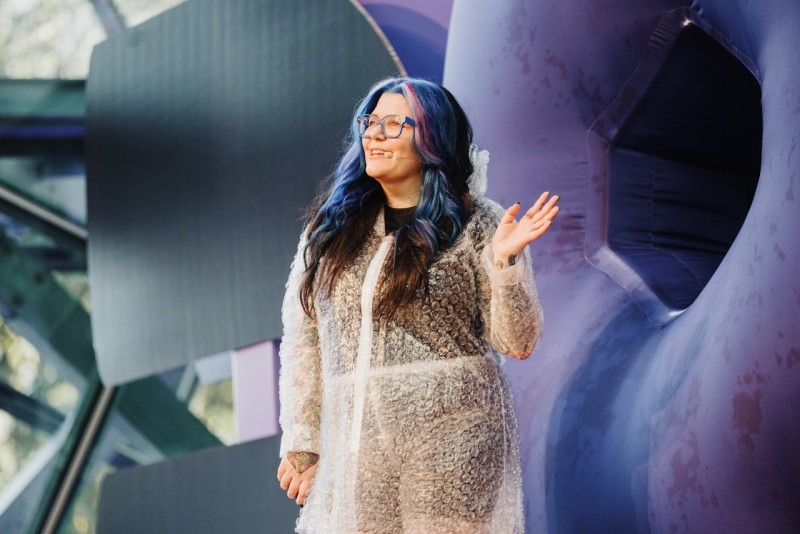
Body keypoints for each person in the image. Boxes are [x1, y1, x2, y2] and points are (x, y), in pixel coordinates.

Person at [276, 76, 559, 533]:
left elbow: (518, 341)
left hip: (456, 428)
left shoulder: (478, 220)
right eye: (369, 122)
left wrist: (505, 263)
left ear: (432, 139)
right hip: (359, 439)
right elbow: (304, 339)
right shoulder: (332, 232)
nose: (373, 134)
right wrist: (304, 438)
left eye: (392, 124)